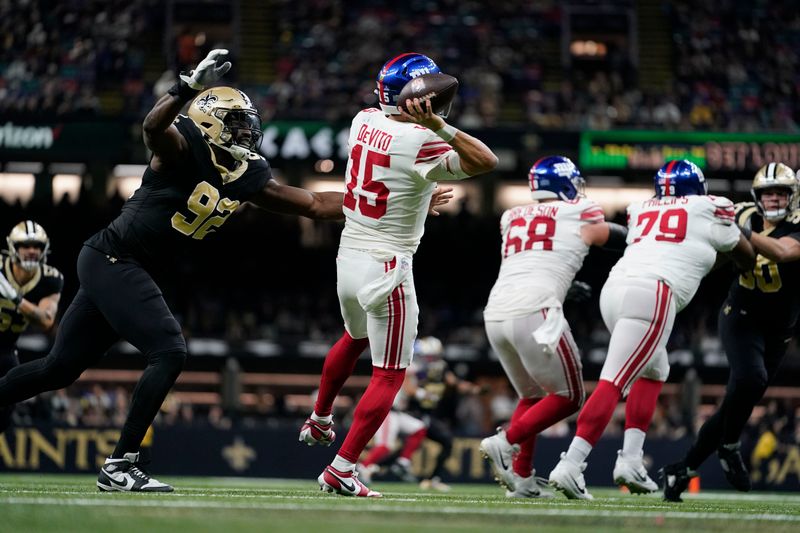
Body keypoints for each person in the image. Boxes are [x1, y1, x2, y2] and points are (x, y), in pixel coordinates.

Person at [0, 49, 344, 492]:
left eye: (248, 125)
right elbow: (152, 128)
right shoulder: (182, 145)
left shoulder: (247, 172)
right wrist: (186, 88)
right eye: (236, 124)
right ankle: (121, 463)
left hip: (122, 266)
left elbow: (314, 204)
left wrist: (376, 203)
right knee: (169, 350)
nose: (247, 133)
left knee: (57, 370)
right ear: (209, 122)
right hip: (114, 258)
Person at [298, 52, 498, 498]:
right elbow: (486, 162)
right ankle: (343, 468)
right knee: (389, 375)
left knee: (353, 338)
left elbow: (382, 182)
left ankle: (320, 417)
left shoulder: (363, 118)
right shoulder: (420, 140)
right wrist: (438, 126)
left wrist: (419, 200)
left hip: (349, 254)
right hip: (387, 265)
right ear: (414, 99)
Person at [547, 159, 755, 500]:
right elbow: (744, 256)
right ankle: (571, 463)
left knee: (656, 368)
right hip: (653, 294)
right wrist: (747, 242)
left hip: (615, 291)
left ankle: (630, 460)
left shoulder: (640, 207)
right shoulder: (710, 206)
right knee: (614, 380)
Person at [479, 156, 628, 498]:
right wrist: (643, 235)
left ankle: (523, 480)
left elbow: (535, 258)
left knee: (531, 395)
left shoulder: (510, 216)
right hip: (535, 310)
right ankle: (506, 441)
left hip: (497, 313)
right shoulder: (581, 210)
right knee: (570, 396)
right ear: (566, 184)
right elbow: (606, 236)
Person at [662, 162, 800, 501]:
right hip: (741, 316)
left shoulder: (788, 225)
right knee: (750, 381)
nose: (773, 200)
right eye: (767, 194)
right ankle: (729, 445)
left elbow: (784, 251)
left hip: (780, 329)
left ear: (793, 196)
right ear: (756, 196)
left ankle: (683, 469)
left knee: (734, 405)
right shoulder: (740, 214)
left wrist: (740, 233)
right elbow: (715, 258)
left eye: (780, 193)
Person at [0, 221, 63, 431]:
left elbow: (46, 321)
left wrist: (15, 297)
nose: (32, 251)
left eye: (36, 246)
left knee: (4, 415)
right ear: (13, 247)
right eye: (26, 245)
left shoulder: (50, 279)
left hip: (7, 350)